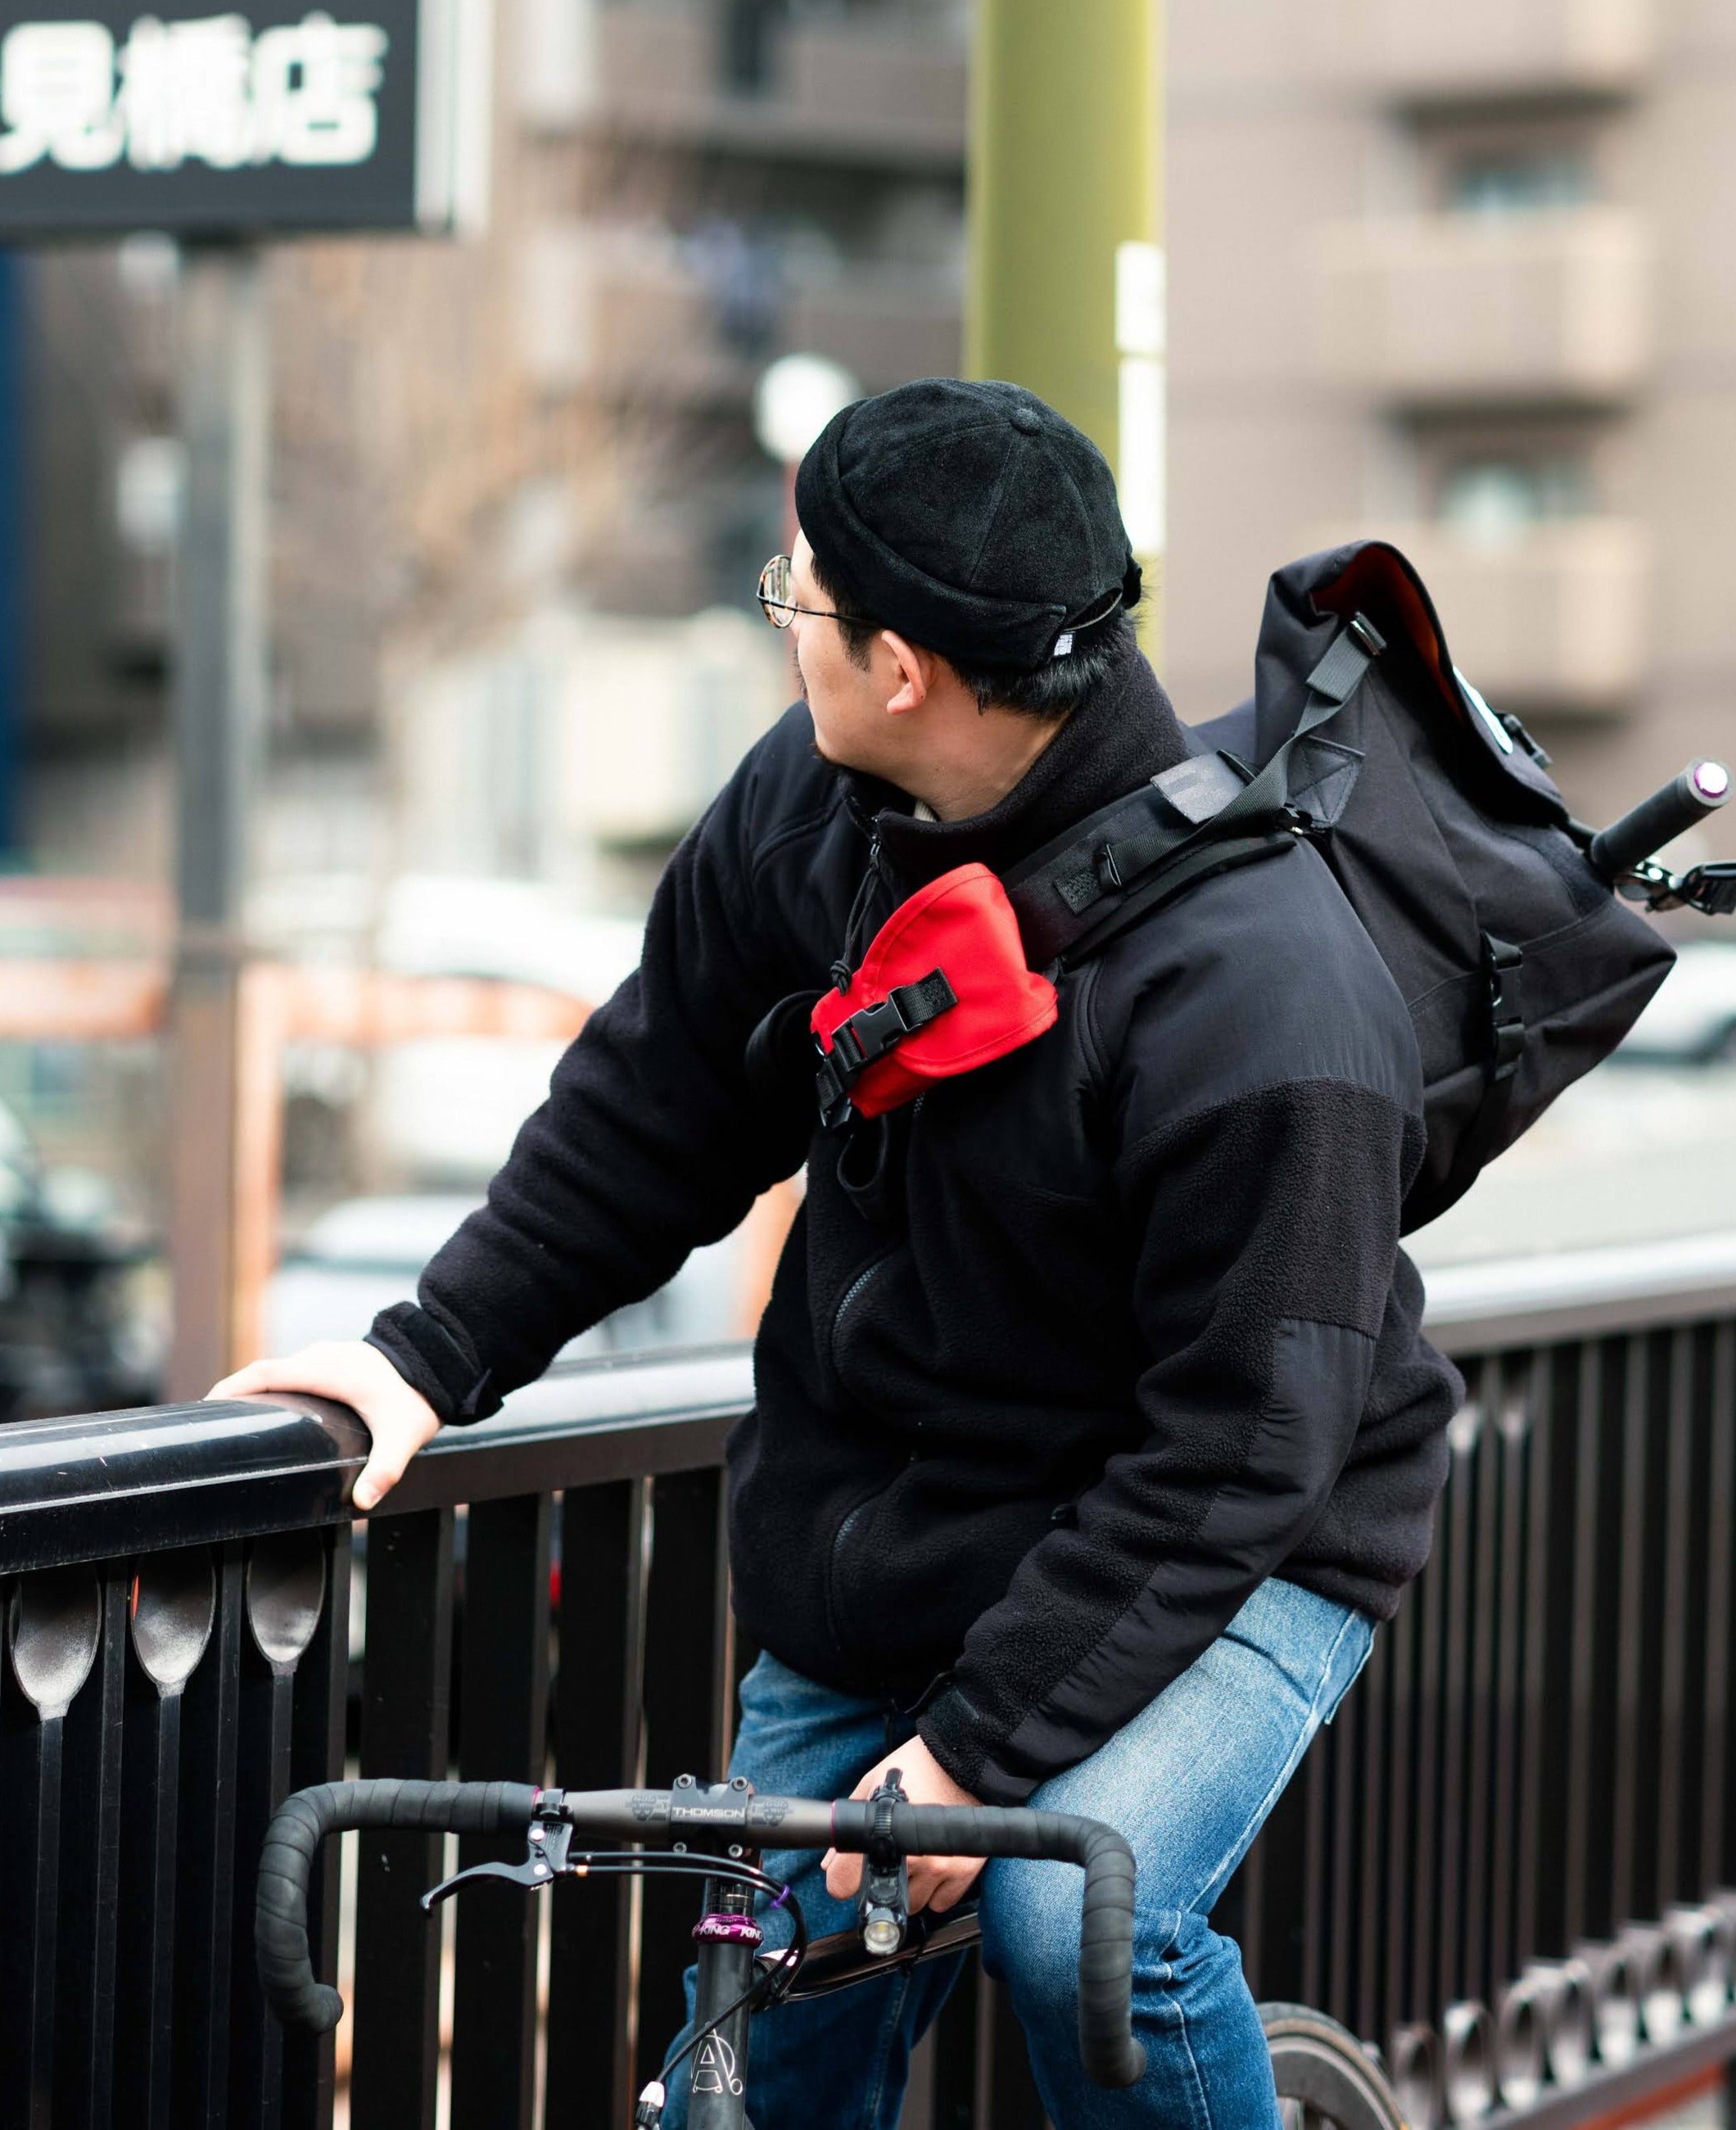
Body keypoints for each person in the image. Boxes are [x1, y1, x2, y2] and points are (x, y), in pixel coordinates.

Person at [214, 378, 1462, 2130]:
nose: (778, 621)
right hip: (893, 1530)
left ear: (899, 667)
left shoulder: (1255, 989)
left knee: (1070, 1913)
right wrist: (421, 1353)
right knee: (768, 1998)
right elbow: (651, 1109)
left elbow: (1243, 1440)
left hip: (1238, 1526)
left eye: (795, 594)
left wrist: (972, 1757)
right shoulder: (810, 811)